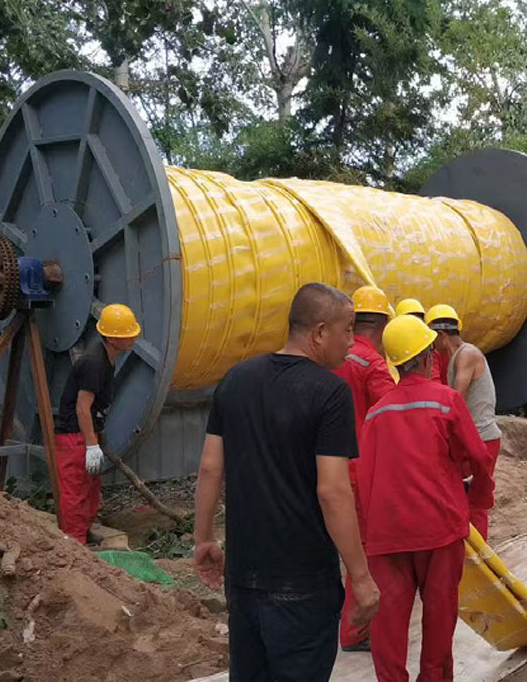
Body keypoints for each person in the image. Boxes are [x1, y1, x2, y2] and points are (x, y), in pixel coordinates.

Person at [193, 282, 380, 682]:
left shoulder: (236, 380)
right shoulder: (330, 393)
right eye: (347, 329)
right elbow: (332, 491)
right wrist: (361, 578)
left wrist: (204, 538)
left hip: (243, 580)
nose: (352, 341)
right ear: (318, 332)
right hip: (304, 586)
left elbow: (210, 467)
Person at [357, 315, 494, 682]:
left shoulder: (377, 413)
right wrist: (478, 498)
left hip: (388, 536)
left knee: (389, 623)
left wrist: (367, 535)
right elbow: (478, 457)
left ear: (397, 363)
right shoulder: (445, 401)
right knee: (438, 617)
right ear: (428, 356)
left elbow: (363, 476)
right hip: (438, 529)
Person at [332, 285, 396, 652]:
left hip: (321, 468)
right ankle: (355, 632)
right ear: (384, 324)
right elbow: (392, 416)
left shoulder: (328, 356)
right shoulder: (371, 364)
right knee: (364, 553)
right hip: (358, 473)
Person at [54, 303, 141, 544]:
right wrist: (91, 445)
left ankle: (84, 530)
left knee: (90, 488)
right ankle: (73, 541)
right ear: (112, 339)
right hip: (74, 435)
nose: (133, 337)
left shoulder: (107, 359)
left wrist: (95, 440)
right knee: (75, 490)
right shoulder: (93, 363)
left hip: (88, 433)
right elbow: (83, 407)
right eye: (127, 334)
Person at [427, 304, 502, 541]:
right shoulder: (456, 358)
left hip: (482, 438)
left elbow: (454, 398)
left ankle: (481, 561)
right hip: (474, 439)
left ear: (441, 335)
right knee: (464, 498)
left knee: (476, 502)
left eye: (432, 340)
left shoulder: (467, 355)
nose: (432, 347)